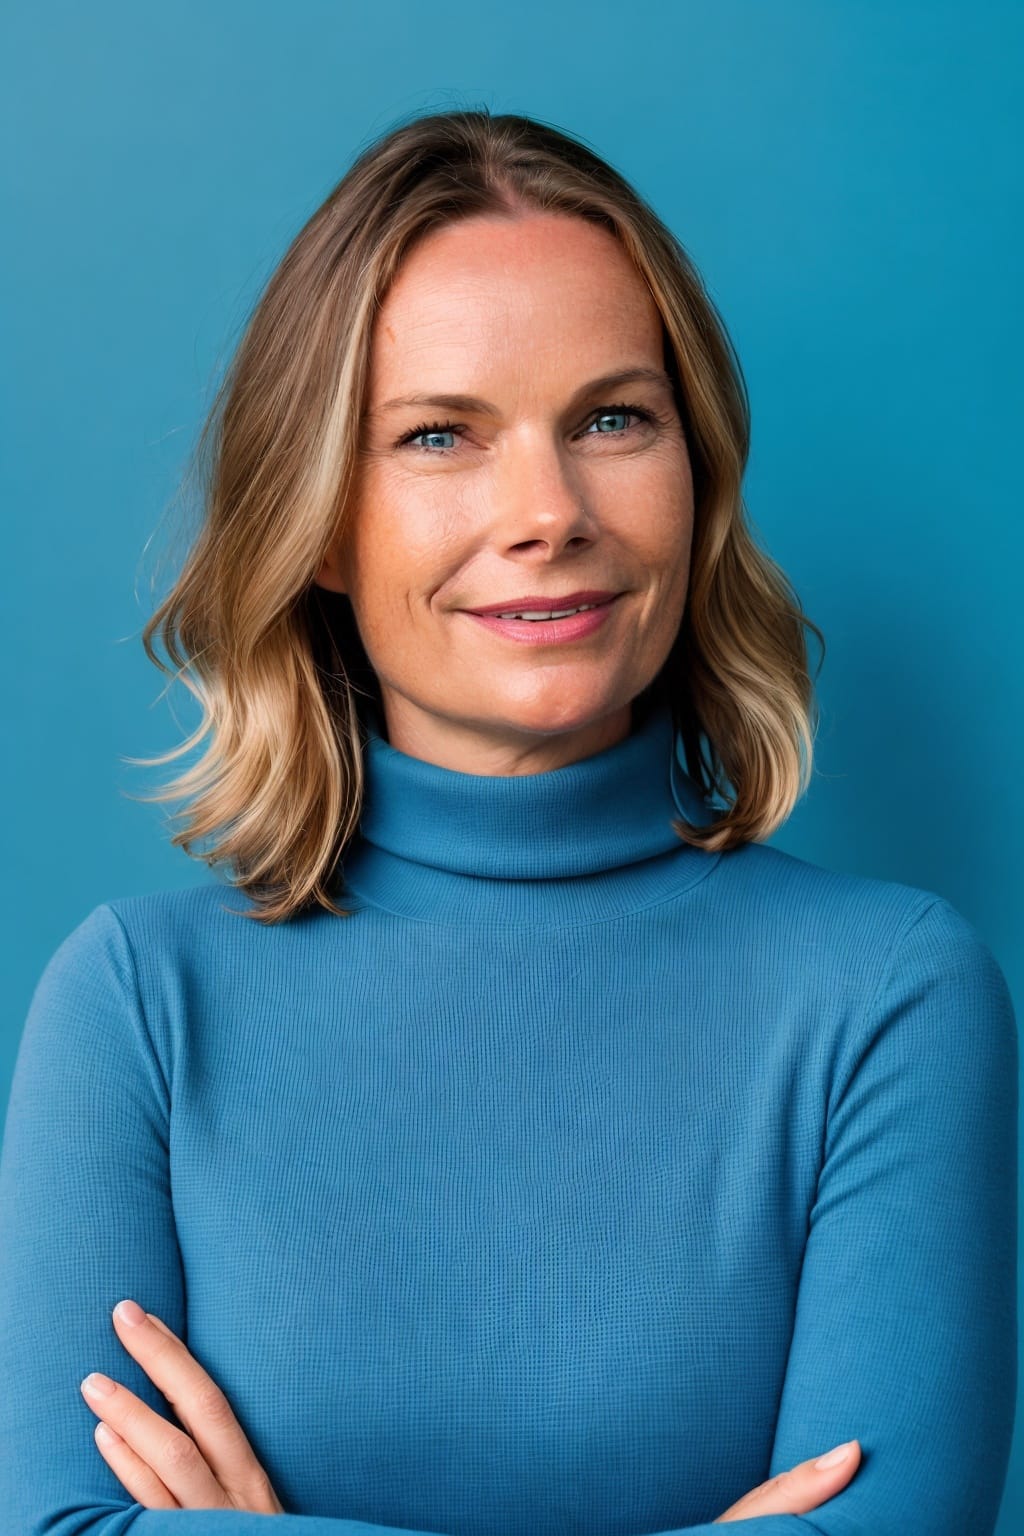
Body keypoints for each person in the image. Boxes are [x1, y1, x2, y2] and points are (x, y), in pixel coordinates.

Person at [0, 107, 1016, 1536]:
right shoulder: (137, 1006)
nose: (548, 512)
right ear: (322, 524)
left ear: (699, 475)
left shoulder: (889, 996)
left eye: (613, 419)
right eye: (437, 436)